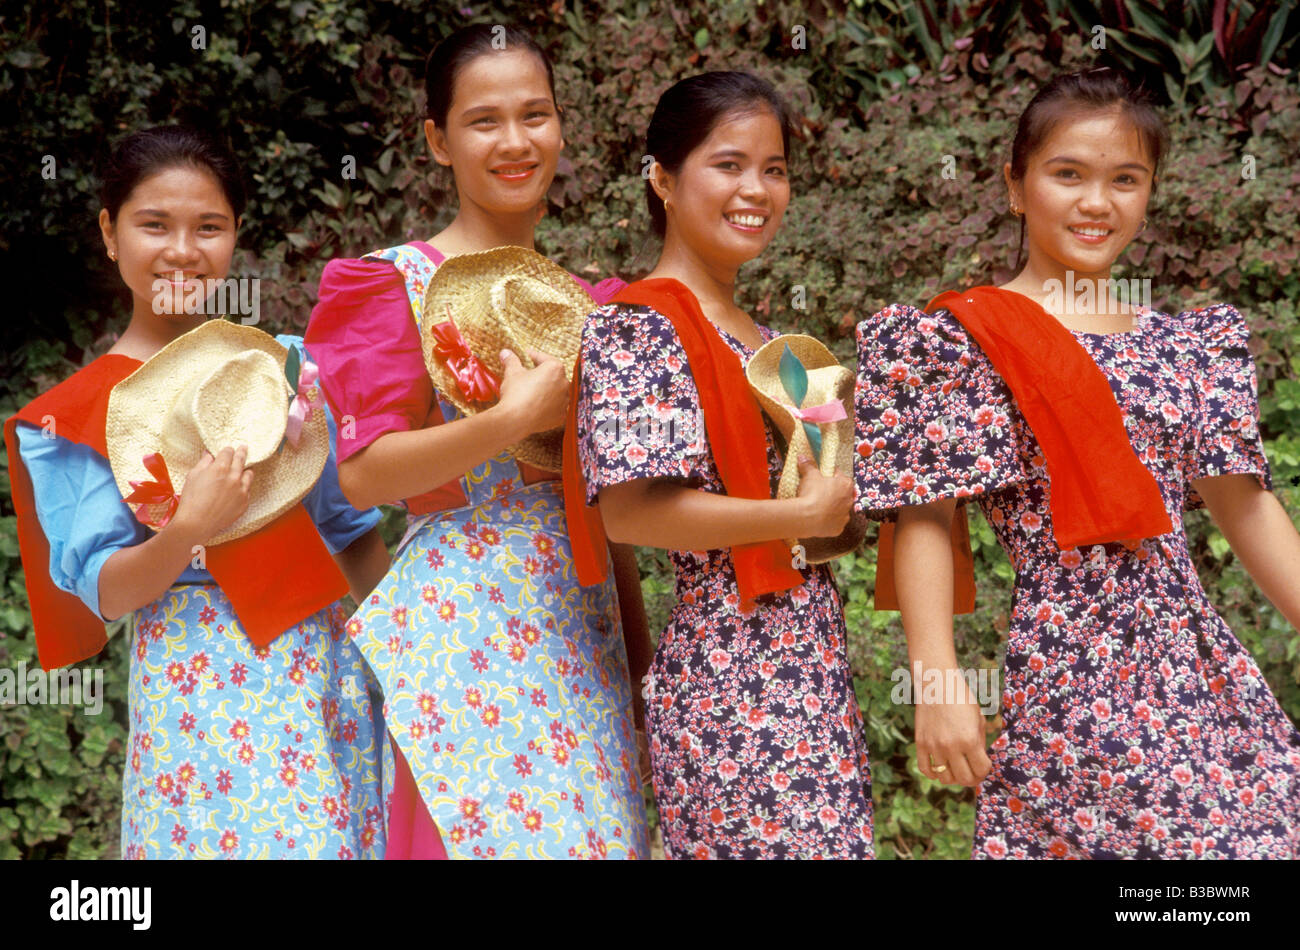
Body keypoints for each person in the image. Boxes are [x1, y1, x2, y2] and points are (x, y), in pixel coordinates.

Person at [855, 67, 1300, 858]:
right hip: (1067, 670)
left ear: (1150, 191)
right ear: (1017, 185)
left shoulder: (1186, 346)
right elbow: (927, 514)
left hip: (1191, 661)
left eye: (1125, 180)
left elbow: (1247, 508)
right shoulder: (964, 340)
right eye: (1069, 175)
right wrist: (936, 682)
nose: (1098, 203)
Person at [305, 24, 651, 859]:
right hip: (458, 635)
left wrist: (642, 670)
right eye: (483, 120)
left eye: (535, 115)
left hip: (583, 622)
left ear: (561, 128)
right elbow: (360, 478)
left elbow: (617, 508)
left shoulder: (592, 306)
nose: (515, 141)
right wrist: (504, 423)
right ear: (437, 140)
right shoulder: (392, 283)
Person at [4, 125, 391, 859]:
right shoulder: (73, 416)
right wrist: (185, 529)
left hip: (323, 668)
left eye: (208, 227)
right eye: (154, 225)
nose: (183, 250)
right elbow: (106, 593)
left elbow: (349, 532)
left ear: (235, 237)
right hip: (197, 685)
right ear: (109, 234)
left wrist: (401, 673)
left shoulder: (280, 371)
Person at [566, 71, 874, 859]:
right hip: (730, 675)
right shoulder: (637, 328)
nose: (757, 189)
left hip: (807, 662)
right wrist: (799, 517)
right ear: (663, 179)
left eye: (774, 169)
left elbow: (820, 502)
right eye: (729, 164)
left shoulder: (763, 337)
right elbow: (631, 511)